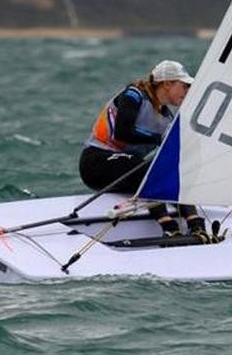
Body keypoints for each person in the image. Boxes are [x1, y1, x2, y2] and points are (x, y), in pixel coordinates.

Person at [79, 60, 207, 238]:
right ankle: (168, 226)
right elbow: (122, 132)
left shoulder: (166, 118)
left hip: (129, 171)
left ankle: (195, 223)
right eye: (184, 86)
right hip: (96, 164)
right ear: (167, 83)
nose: (187, 91)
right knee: (143, 165)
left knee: (172, 170)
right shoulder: (134, 95)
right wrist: (158, 138)